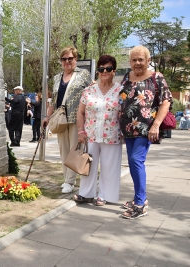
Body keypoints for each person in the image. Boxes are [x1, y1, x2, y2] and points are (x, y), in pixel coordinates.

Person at [119, 45, 172, 219]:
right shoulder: (127, 77)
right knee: (134, 163)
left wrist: (156, 125)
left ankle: (140, 204)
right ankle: (139, 198)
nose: (137, 63)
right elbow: (119, 98)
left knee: (136, 160)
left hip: (146, 128)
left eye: (141, 59)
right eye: (134, 60)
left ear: (148, 61)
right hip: (128, 129)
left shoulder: (156, 77)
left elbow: (166, 102)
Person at [73, 55, 122, 206]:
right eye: (101, 69)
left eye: (108, 68)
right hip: (90, 134)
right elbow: (80, 112)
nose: (104, 71)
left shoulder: (121, 90)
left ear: (114, 70)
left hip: (112, 135)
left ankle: (106, 196)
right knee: (88, 164)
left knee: (110, 166)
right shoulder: (89, 90)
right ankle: (86, 194)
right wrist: (80, 131)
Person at [42, 47, 92, 193]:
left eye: (70, 58)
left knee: (75, 150)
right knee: (63, 150)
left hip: (77, 118)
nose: (67, 61)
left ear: (76, 59)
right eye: (64, 59)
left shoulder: (83, 74)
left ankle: (70, 181)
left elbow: (91, 93)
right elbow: (53, 100)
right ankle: (66, 179)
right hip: (61, 117)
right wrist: (47, 116)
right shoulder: (57, 78)